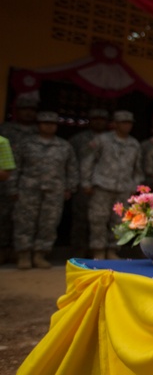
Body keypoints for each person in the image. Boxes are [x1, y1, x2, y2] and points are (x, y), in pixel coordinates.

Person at [10, 112, 78, 269]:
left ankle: (40, 254)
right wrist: (12, 187)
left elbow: (71, 168)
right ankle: (24, 254)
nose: (49, 126)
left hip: (54, 191)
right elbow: (15, 167)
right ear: (38, 124)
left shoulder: (64, 146)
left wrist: (70, 187)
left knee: (49, 223)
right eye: (45, 123)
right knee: (24, 222)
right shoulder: (26, 143)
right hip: (28, 189)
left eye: (52, 124)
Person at [81, 110, 143, 259]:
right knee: (98, 219)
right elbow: (88, 162)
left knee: (119, 221)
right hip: (102, 186)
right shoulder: (101, 140)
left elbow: (137, 169)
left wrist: (135, 186)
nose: (126, 126)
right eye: (123, 123)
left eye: (129, 123)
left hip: (124, 188)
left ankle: (112, 250)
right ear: (115, 124)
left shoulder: (134, 144)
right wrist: (86, 182)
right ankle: (98, 250)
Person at [0, 94, 38, 263]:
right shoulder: (5, 130)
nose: (28, 113)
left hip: (30, 183)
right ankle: (3, 250)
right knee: (3, 218)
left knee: (26, 220)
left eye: (32, 110)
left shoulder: (39, 131)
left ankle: (21, 253)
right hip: (5, 181)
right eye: (24, 109)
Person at [69, 108, 110, 252]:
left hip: (105, 186)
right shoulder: (77, 139)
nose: (99, 122)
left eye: (102, 119)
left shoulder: (112, 139)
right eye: (95, 119)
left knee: (103, 220)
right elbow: (71, 162)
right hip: (83, 185)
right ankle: (78, 251)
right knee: (80, 219)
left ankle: (98, 251)